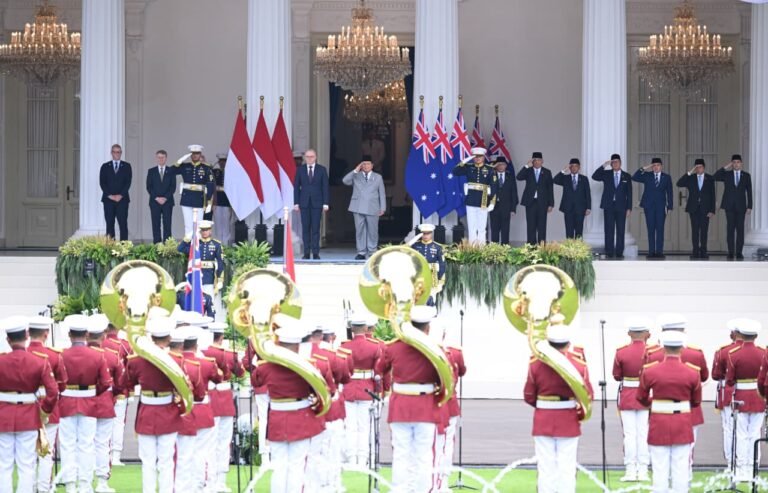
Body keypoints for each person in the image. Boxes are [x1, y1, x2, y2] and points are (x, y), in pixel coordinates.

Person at [249, 315, 328, 493]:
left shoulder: (265, 367)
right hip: (300, 418)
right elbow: (320, 390)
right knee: (296, 466)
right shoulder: (309, 366)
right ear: (298, 344)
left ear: (278, 342)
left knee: (279, 466)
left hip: (277, 418)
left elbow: (255, 381)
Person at [375, 305, 443, 492]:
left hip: (401, 406)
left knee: (401, 455)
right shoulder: (434, 349)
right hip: (425, 406)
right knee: (423, 456)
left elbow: (380, 369)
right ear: (427, 328)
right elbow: (445, 378)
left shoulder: (394, 347)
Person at [524, 324, 593, 493]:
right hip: (567, 418)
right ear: (568, 343)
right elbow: (587, 394)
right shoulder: (578, 364)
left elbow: (529, 395)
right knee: (567, 467)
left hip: (543, 418)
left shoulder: (535, 363)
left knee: (545, 467)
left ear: (548, 342)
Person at [122, 316, 184, 493]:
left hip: (147, 412)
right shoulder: (176, 359)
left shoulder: (136, 360)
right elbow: (185, 387)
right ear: (169, 338)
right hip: (168, 412)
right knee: (166, 460)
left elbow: (126, 383)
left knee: (148, 461)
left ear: (151, 337)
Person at [637, 330, 701, 493]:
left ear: (663, 348)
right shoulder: (692, 372)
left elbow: (641, 397)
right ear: (682, 349)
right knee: (681, 466)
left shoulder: (650, 371)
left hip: (659, 422)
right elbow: (696, 401)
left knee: (659, 466)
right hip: (682, 423)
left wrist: (656, 403)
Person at [0, 316, 58, 493]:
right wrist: (44, 411)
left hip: (3, 416)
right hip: (28, 416)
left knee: (4, 465)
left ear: (8, 340)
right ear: (26, 336)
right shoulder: (40, 362)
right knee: (27, 465)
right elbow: (53, 391)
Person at [58, 314, 112, 493]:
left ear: (70, 335)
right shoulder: (97, 356)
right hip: (89, 401)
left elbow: (57, 381)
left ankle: (70, 484)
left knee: (67, 445)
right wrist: (91, 393)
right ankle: (85, 483)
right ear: (86, 334)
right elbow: (105, 382)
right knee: (87, 444)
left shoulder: (62, 355)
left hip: (67, 400)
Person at [203, 322, 244, 493]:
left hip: (209, 398)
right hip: (225, 398)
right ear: (222, 336)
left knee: (208, 442)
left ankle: (209, 480)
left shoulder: (203, 352)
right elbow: (240, 372)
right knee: (223, 442)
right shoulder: (228, 354)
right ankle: (220, 480)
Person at [27, 315, 66, 493]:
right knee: (46, 451)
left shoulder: (22, 354)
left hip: (26, 407)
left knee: (26, 452)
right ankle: (43, 488)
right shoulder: (54, 355)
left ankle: (30, 486)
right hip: (49, 406)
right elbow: (63, 383)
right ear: (46, 333)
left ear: (28, 333)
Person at [724, 318, 765, 482]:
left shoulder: (733, 354)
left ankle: (741, 470)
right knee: (755, 432)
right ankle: (753, 467)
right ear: (756, 336)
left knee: (741, 434)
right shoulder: (763, 353)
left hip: (741, 396)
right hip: (758, 396)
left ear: (740, 334)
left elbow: (729, 380)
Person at [612, 317, 652, 482]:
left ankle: (630, 470)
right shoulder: (652, 351)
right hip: (646, 395)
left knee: (629, 434)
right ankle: (643, 470)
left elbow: (616, 376)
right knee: (643, 433)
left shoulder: (621, 352)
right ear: (647, 334)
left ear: (629, 333)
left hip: (628, 394)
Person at [87, 315, 123, 493]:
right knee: (102, 443)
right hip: (105, 402)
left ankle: (82, 482)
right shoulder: (112, 356)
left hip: (82, 403)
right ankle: (102, 482)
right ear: (103, 336)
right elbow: (120, 383)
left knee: (83, 443)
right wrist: (112, 396)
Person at [340, 314, 382, 467]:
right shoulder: (374, 347)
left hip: (349, 388)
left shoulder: (344, 347)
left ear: (351, 328)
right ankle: (364, 459)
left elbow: (341, 371)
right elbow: (378, 373)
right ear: (365, 328)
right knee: (365, 427)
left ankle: (352, 458)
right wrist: (379, 391)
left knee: (350, 427)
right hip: (367, 389)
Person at [342, 157, 387, 260]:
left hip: (373, 207)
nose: (366, 166)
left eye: (368, 164)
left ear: (372, 165)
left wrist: (383, 208)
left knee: (373, 230)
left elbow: (382, 194)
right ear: (361, 166)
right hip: (357, 206)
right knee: (360, 230)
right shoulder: (356, 176)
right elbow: (345, 181)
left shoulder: (378, 177)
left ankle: (372, 251)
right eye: (364, 164)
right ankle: (361, 252)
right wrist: (355, 170)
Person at [101, 322, 132, 466]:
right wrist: (130, 390)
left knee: (100, 424)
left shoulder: (99, 342)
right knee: (118, 423)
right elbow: (129, 369)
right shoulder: (124, 345)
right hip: (120, 389)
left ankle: (102, 455)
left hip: (100, 390)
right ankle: (115, 456)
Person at [452, 147, 497, 244]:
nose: (477, 158)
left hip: (483, 199)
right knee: (472, 227)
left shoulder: (490, 169)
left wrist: (492, 202)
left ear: (484, 157)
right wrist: (464, 161)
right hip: (471, 200)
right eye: (475, 157)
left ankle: (481, 248)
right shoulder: (468, 167)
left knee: (481, 227)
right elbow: (455, 171)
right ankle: (472, 248)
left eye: (480, 156)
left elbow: (494, 187)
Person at [712, 323, 742, 472]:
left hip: (727, 393)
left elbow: (716, 375)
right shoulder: (760, 351)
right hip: (751, 395)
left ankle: (731, 463)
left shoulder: (723, 351)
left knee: (728, 429)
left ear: (732, 334)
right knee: (750, 431)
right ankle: (749, 463)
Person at [591, 154, 633, 259]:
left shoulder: (626, 176)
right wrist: (604, 165)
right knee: (609, 229)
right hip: (608, 206)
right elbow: (594, 176)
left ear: (620, 163)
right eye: (613, 162)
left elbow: (630, 193)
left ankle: (619, 252)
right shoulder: (606, 174)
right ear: (611, 164)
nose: (615, 164)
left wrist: (629, 208)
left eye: (617, 162)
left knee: (621, 229)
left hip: (621, 206)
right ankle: (609, 251)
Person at [632, 158, 674, 259]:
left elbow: (670, 192)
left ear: (661, 166)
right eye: (654, 165)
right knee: (650, 229)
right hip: (649, 206)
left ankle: (659, 252)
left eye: (658, 165)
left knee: (660, 229)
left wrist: (670, 206)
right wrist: (645, 168)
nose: (656, 167)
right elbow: (634, 177)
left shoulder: (666, 177)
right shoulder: (647, 175)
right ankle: (651, 252)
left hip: (661, 206)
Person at [714, 155, 753, 260]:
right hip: (729, 205)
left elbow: (749, 191)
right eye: (734, 162)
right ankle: (731, 252)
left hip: (741, 206)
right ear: (732, 163)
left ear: (741, 163)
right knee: (730, 229)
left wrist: (750, 206)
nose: (736, 164)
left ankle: (739, 252)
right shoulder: (727, 174)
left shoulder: (746, 176)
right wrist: (726, 166)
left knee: (740, 229)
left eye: (738, 162)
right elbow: (715, 176)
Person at [676, 158, 716, 259]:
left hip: (705, 209)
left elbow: (713, 195)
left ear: (704, 167)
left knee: (704, 231)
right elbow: (679, 183)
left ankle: (703, 251)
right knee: (694, 231)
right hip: (693, 208)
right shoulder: (691, 178)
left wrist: (712, 210)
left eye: (700, 167)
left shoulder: (709, 178)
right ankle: (695, 252)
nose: (698, 169)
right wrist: (689, 172)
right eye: (697, 167)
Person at [174, 144, 216, 239]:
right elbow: (172, 170)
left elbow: (210, 184)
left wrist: (209, 201)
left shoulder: (206, 168)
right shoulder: (185, 166)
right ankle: (188, 248)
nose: (195, 155)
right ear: (190, 155)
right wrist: (180, 160)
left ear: (200, 154)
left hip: (199, 199)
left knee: (198, 225)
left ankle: (197, 249)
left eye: (197, 153)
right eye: (193, 153)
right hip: (186, 198)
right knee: (188, 225)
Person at [294, 149, 329, 259]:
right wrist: (296, 202)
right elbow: (296, 187)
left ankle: (315, 252)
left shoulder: (321, 170)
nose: (309, 158)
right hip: (304, 203)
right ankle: (306, 252)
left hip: (317, 203)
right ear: (305, 158)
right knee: (305, 228)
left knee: (315, 228)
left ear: (316, 157)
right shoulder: (300, 170)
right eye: (307, 156)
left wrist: (326, 203)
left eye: (312, 156)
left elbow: (325, 187)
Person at [178, 220, 224, 300]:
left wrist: (220, 280)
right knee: (196, 302)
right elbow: (180, 248)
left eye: (206, 230)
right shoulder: (195, 244)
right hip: (196, 276)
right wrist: (188, 237)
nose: (204, 232)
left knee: (209, 301)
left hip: (209, 278)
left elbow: (220, 263)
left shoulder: (216, 244)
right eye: (202, 230)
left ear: (210, 231)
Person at [517, 152, 554, 245]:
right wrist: (526, 165)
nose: (537, 162)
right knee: (531, 225)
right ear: (532, 161)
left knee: (542, 225)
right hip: (530, 202)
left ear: (542, 161)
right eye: (535, 160)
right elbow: (519, 177)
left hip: (543, 202)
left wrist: (551, 204)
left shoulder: (547, 172)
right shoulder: (528, 171)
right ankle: (531, 247)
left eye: (539, 160)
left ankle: (542, 247)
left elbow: (550, 188)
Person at [99, 143, 132, 240]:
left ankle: (123, 248)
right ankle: (110, 248)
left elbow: (128, 182)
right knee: (109, 224)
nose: (117, 154)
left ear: (121, 153)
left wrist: (120, 195)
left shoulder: (126, 166)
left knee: (123, 224)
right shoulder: (105, 166)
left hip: (122, 200)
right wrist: (110, 196)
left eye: (118, 152)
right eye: (114, 152)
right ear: (111, 153)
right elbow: (102, 183)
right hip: (108, 200)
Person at [553, 158, 592, 239]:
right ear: (570, 167)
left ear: (579, 167)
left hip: (580, 208)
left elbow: (587, 193)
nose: (574, 168)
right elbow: (555, 180)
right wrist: (563, 170)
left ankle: (578, 250)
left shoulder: (584, 179)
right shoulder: (565, 178)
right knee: (569, 231)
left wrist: (588, 207)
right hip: (568, 208)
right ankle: (569, 250)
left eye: (576, 166)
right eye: (572, 166)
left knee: (579, 231)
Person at [410, 223, 446, 306]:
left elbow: (442, 263)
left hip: (432, 272)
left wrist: (440, 277)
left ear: (432, 233)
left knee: (432, 293)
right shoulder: (415, 246)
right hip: (419, 272)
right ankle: (417, 311)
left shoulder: (437, 247)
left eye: (428, 233)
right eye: (424, 233)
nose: (426, 236)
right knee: (418, 292)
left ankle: (431, 310)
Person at [145, 150, 176, 244]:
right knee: (155, 224)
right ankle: (157, 245)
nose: (160, 159)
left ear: (166, 158)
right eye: (159, 157)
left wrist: (165, 198)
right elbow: (149, 186)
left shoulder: (171, 170)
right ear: (156, 158)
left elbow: (173, 187)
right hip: (155, 202)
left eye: (162, 157)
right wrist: (157, 198)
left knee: (167, 224)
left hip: (168, 202)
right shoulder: (151, 171)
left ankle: (167, 246)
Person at [488, 156, 518, 245]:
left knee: (505, 228)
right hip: (493, 206)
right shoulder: (491, 175)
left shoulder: (510, 176)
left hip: (506, 206)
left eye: (503, 164)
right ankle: (495, 248)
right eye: (499, 164)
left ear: (506, 166)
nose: (501, 166)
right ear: (496, 165)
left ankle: (505, 247)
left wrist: (513, 209)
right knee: (494, 228)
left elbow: (514, 193)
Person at [211, 153, 235, 245]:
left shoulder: (231, 172)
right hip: (217, 201)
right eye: (220, 162)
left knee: (226, 224)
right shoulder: (215, 171)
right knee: (218, 223)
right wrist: (215, 162)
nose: (222, 164)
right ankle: (218, 243)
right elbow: (209, 169)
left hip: (226, 201)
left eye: (224, 162)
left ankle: (225, 244)